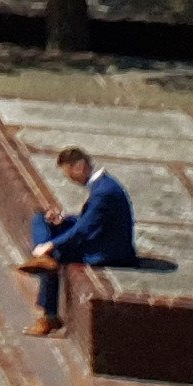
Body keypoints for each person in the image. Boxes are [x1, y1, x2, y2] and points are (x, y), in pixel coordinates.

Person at [18, 145, 136, 338]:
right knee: (41, 219)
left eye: (69, 174)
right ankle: (44, 260)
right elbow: (90, 221)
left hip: (107, 250)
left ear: (79, 167)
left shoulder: (104, 192)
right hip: (97, 236)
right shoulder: (102, 186)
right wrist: (63, 219)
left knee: (56, 254)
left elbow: (84, 230)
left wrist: (52, 244)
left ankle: (48, 317)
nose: (70, 180)